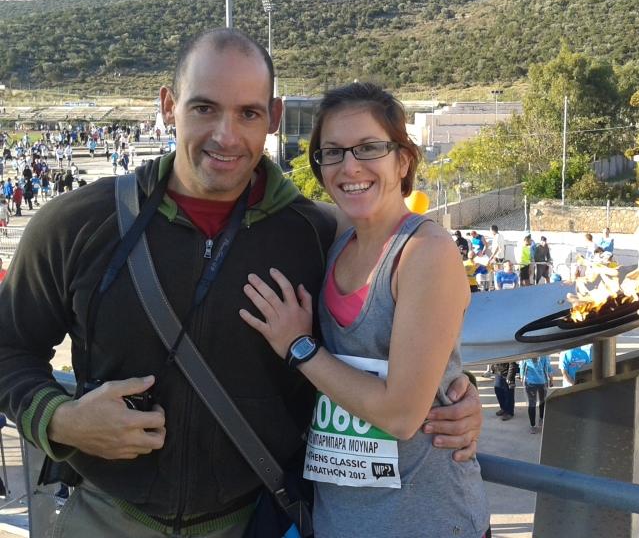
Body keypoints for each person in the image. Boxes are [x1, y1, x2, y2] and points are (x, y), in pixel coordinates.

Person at [0, 29, 480, 537]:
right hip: (106, 516)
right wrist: (58, 420)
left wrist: (451, 394)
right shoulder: (80, 222)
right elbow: (9, 346)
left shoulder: (316, 234)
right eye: (204, 108)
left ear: (272, 118)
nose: (226, 136)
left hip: (253, 522)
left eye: (248, 113)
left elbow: (382, 326)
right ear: (169, 106)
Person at [240, 82, 489, 536]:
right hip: (341, 520)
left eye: (369, 147)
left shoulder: (424, 252)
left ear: (403, 159)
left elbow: (400, 415)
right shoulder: (337, 237)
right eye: (332, 152)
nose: (349, 166)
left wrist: (300, 348)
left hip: (425, 521)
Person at [520, 356, 552, 434]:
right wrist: (551, 379)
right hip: (543, 382)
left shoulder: (526, 355)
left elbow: (522, 368)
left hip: (530, 382)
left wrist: (522, 378)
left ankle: (533, 426)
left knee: (532, 404)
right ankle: (541, 419)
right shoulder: (545, 355)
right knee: (542, 401)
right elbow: (548, 368)